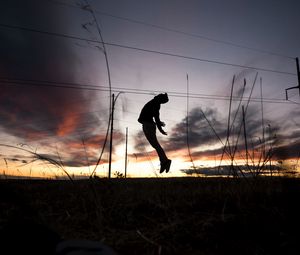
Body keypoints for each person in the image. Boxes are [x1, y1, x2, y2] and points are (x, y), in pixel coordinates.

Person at [138, 93, 171, 173]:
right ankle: (164, 161)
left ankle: (165, 161)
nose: (162, 104)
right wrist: (159, 124)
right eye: (163, 102)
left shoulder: (155, 103)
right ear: (161, 99)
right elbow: (156, 117)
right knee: (155, 145)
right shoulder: (155, 103)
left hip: (148, 125)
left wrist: (160, 128)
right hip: (148, 124)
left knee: (155, 145)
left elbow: (156, 117)